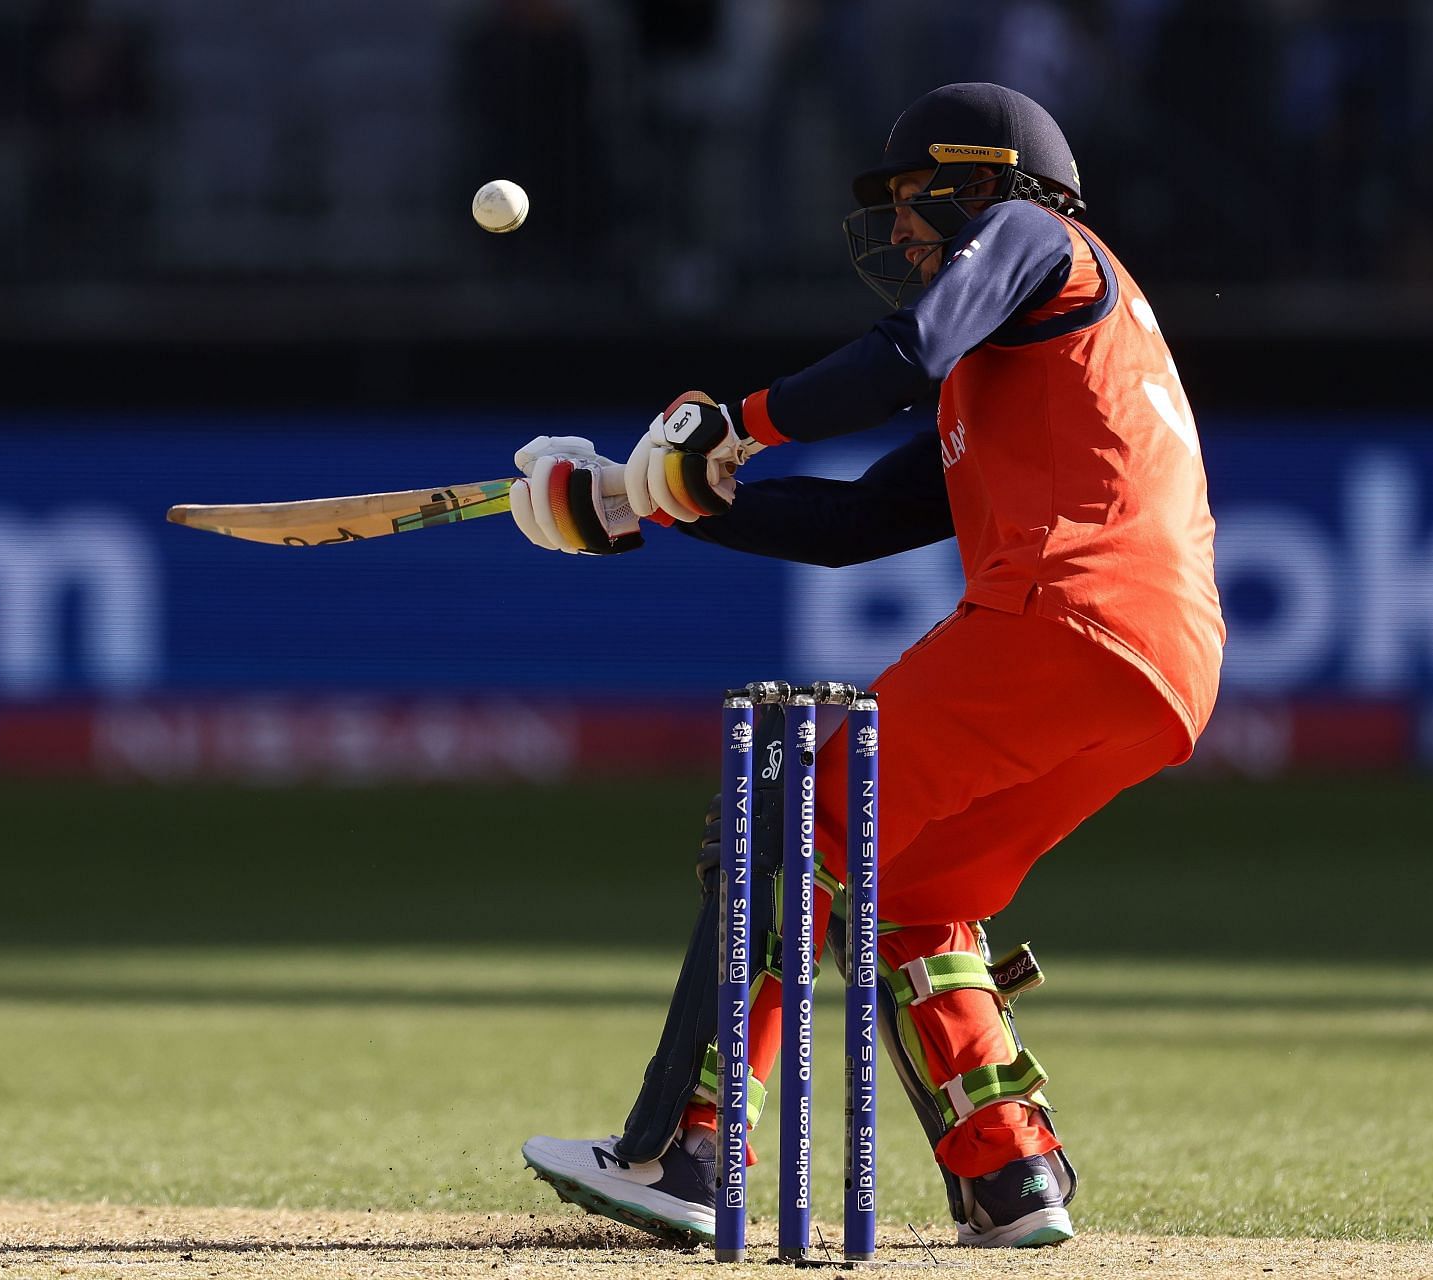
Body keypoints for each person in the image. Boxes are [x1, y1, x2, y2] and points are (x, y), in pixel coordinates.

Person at [508, 82, 1224, 1251]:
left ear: (987, 179)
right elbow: (854, 526)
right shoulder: (1016, 362)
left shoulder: (1042, 238)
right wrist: (647, 505)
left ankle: (692, 1142)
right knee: (916, 895)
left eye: (915, 198)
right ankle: (1013, 1174)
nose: (903, 230)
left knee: (798, 817)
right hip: (1163, 672)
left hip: (1066, 613)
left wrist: (730, 424)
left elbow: (906, 345)